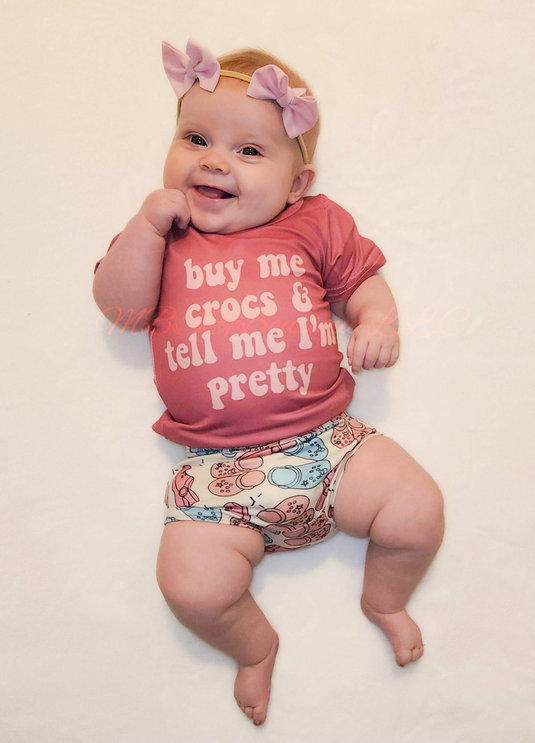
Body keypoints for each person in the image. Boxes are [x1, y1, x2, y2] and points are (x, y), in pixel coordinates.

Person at [92, 38, 445, 727]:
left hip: (329, 444)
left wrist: (377, 321)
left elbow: (363, 286)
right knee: (191, 588)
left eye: (249, 150)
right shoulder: (164, 239)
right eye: (195, 138)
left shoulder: (313, 222)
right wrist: (145, 227)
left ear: (296, 183)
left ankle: (385, 600)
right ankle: (253, 647)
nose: (214, 160)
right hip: (216, 473)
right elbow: (121, 310)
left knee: (417, 509)